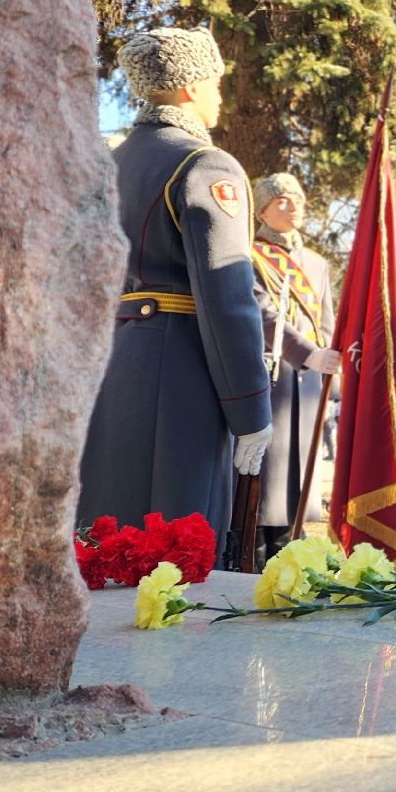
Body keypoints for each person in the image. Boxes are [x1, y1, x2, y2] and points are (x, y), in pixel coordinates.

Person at [78, 28, 272, 550]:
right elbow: (228, 299)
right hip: (182, 370)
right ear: (189, 87)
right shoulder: (204, 165)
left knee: (110, 536)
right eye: (215, 83)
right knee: (176, 550)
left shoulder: (109, 164)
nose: (219, 96)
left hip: (114, 367)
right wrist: (251, 410)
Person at [249, 173, 340, 558]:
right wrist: (306, 353)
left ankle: (289, 558)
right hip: (268, 378)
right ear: (264, 210)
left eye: (298, 199)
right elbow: (262, 314)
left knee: (297, 482)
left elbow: (326, 322)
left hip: (308, 384)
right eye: (282, 200)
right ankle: (252, 557)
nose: (293, 205)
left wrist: (331, 383)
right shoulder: (248, 254)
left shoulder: (316, 263)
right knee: (265, 480)